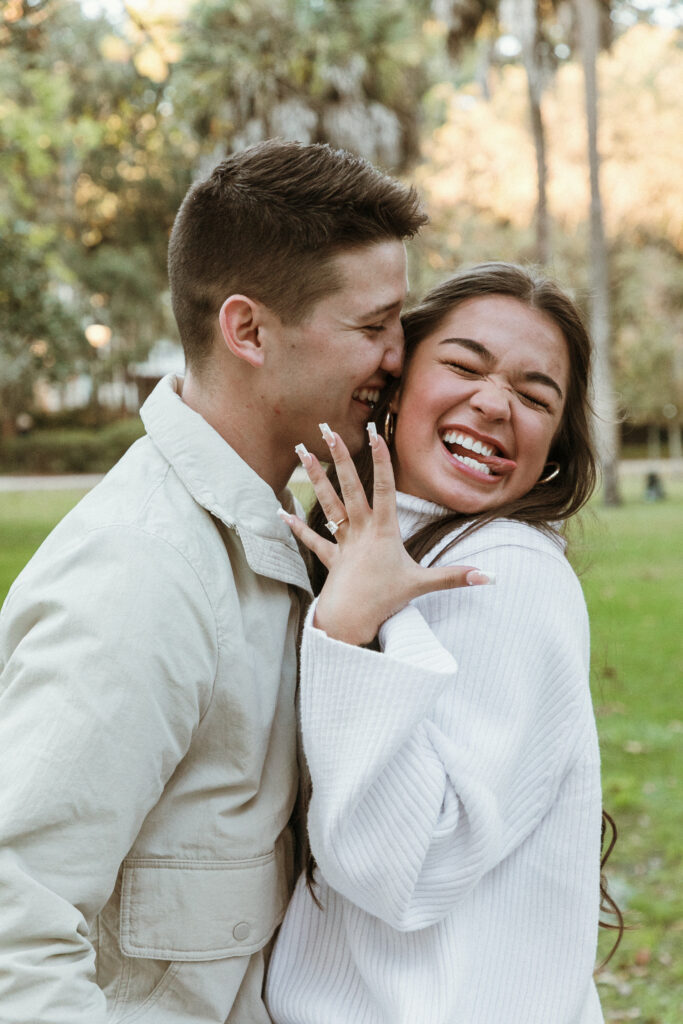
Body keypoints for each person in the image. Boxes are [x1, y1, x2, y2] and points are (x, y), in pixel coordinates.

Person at [0, 140, 479, 1024]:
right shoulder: (143, 578)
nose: (399, 358)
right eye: (372, 327)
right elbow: (13, 927)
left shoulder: (285, 534)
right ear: (248, 331)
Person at [267, 263, 621, 1023]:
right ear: (394, 385)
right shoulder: (397, 547)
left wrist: (352, 631)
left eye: (534, 396)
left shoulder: (501, 574)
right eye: (463, 365)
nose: (494, 404)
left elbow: (408, 865)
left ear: (554, 443)